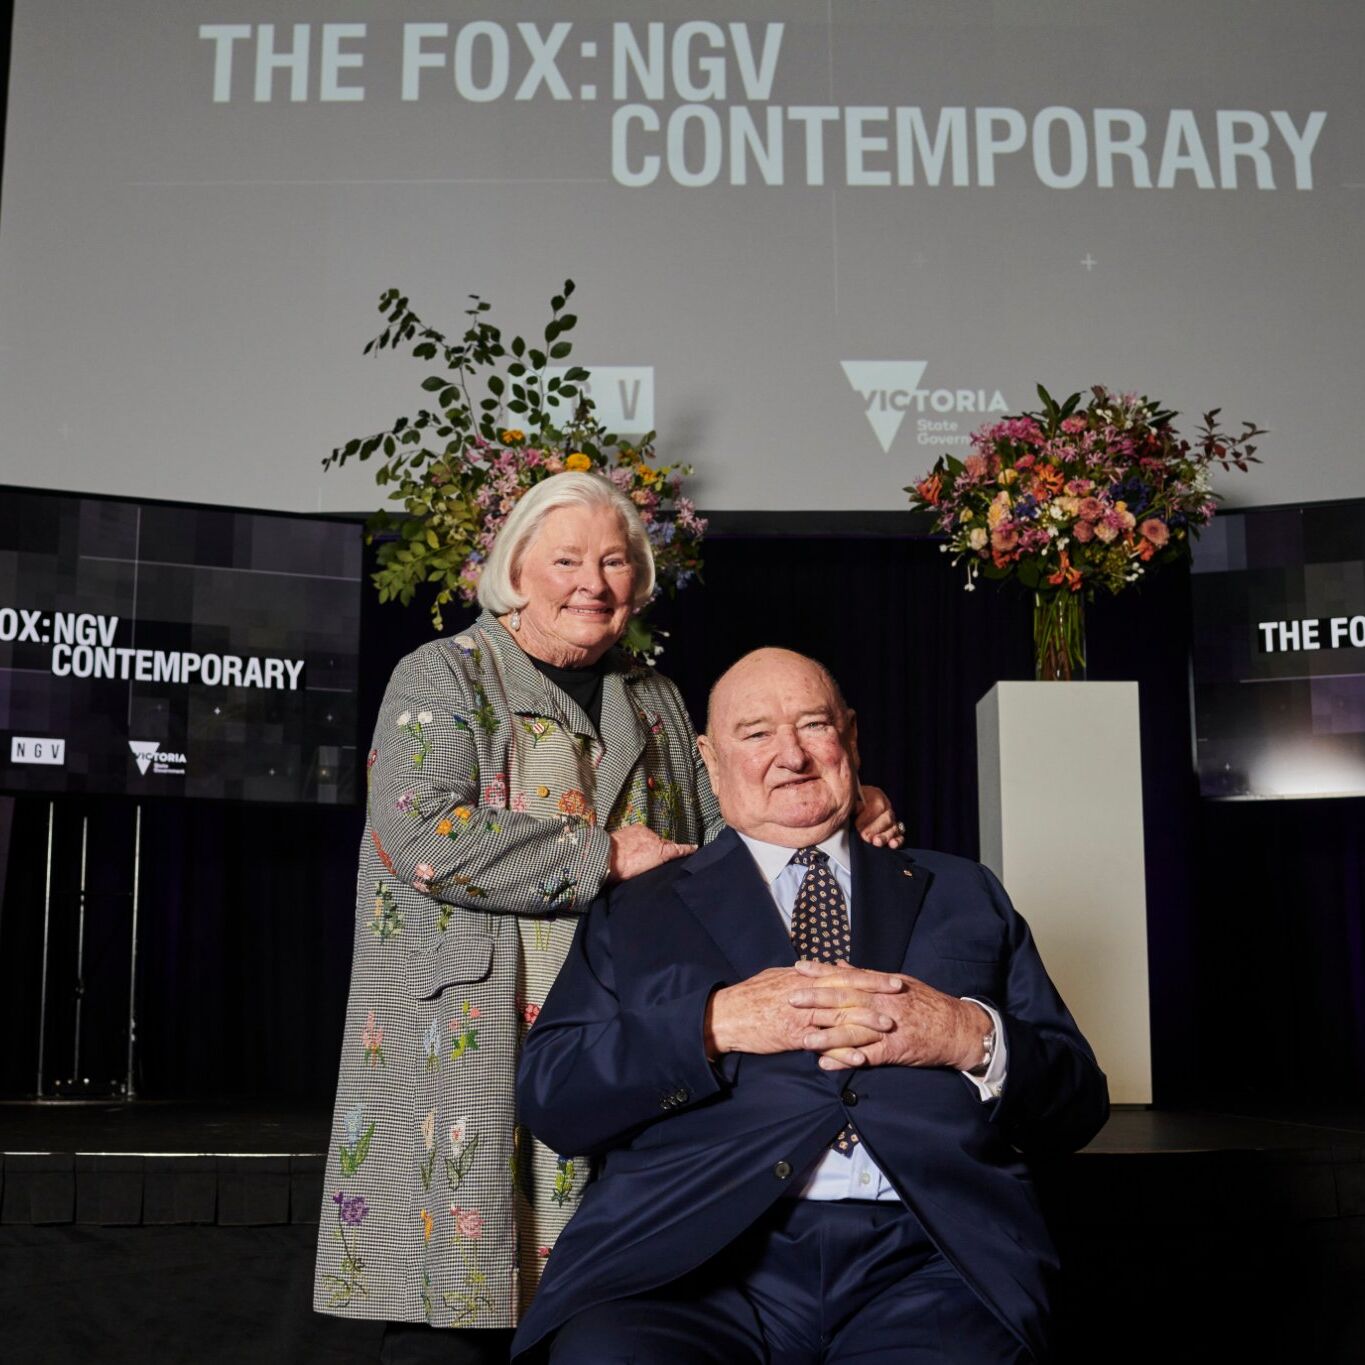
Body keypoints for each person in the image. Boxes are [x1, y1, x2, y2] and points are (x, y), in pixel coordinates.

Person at [314, 476, 904, 1363]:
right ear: (515, 569)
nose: (592, 581)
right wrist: (602, 855)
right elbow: (418, 827)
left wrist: (840, 806)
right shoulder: (442, 673)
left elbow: (728, 828)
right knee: (461, 1289)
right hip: (477, 1023)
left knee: (610, 1287)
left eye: (615, 560)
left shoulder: (656, 695)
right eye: (566, 560)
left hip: (619, 1019)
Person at [513, 647, 1110, 1364]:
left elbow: (1076, 1103)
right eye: (756, 732)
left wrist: (964, 1035)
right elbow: (552, 1096)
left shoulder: (964, 892)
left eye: (812, 725)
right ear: (707, 755)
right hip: (685, 1266)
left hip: (930, 1264)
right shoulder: (637, 910)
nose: (789, 755)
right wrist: (710, 1025)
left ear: (850, 737)